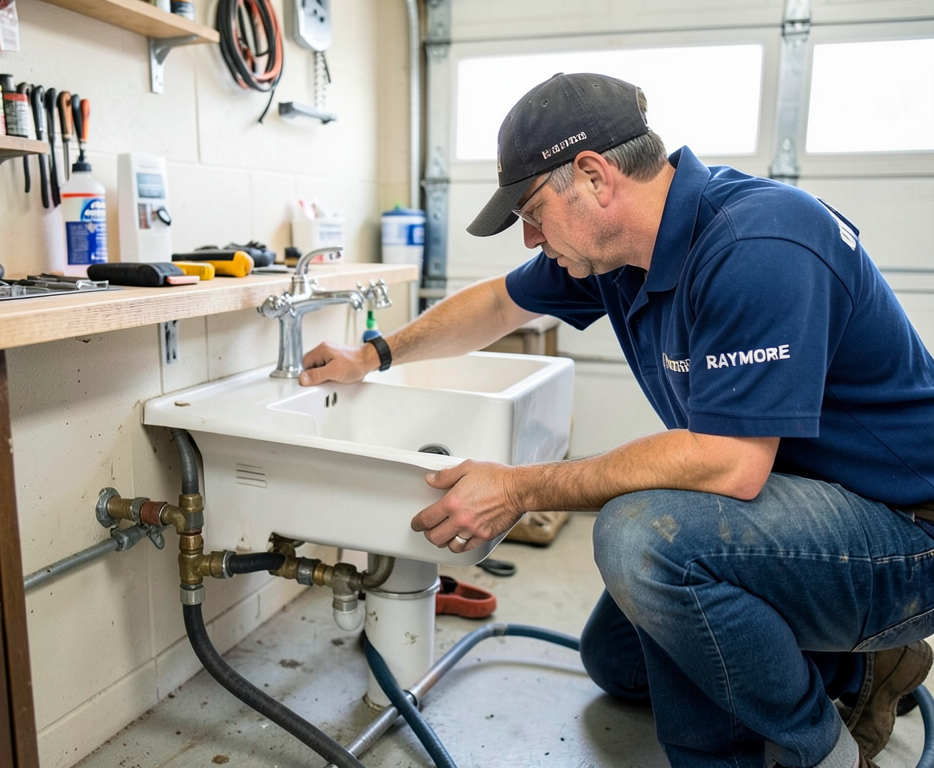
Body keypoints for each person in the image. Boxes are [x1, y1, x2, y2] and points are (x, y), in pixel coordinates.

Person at [300, 72, 934, 768]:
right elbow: (500, 305)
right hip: (803, 511)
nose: (530, 238)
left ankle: (819, 753)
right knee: (615, 661)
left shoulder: (758, 243)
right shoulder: (617, 252)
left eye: (533, 212)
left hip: (903, 528)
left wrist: (518, 487)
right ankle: (862, 667)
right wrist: (372, 355)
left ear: (595, 176)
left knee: (642, 541)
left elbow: (729, 463)